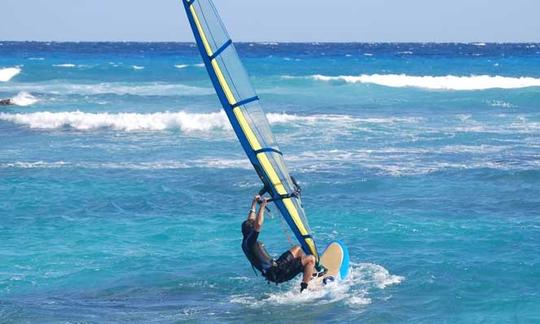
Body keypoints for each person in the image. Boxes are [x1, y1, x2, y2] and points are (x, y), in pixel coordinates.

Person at [241, 194, 317, 292]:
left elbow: (251, 221)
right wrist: (263, 207)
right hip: (276, 273)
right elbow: (258, 225)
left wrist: (254, 204)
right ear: (251, 231)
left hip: (276, 265)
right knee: (311, 259)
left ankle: (308, 272)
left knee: (297, 248)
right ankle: (305, 288)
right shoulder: (250, 242)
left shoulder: (246, 240)